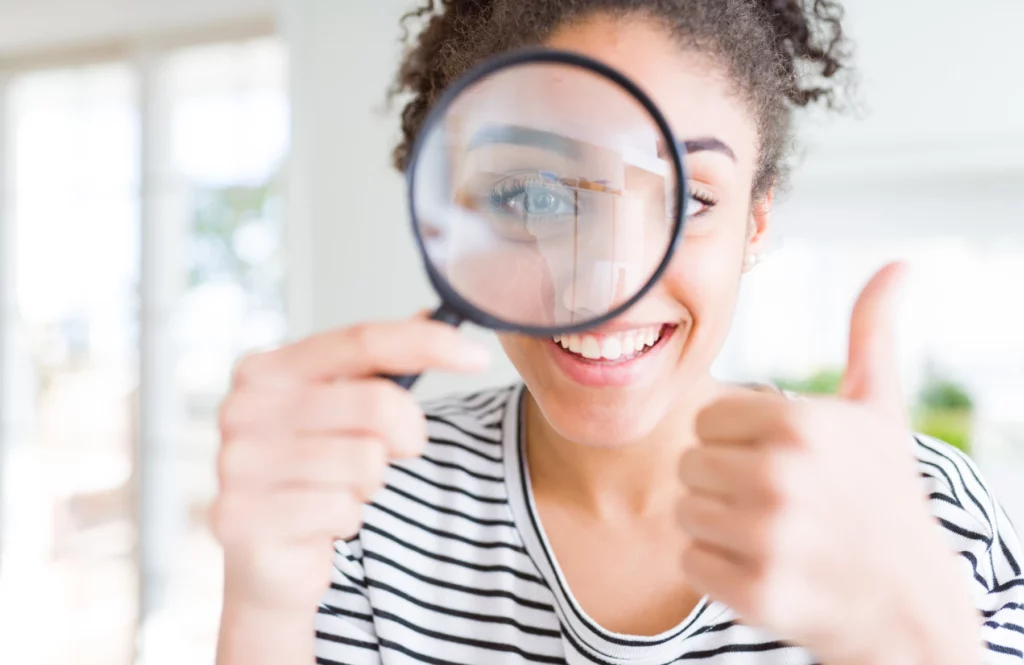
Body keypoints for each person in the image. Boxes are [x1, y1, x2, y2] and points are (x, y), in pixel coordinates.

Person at [212, 1, 1024, 663]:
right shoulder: (357, 501)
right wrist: (263, 603)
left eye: (689, 199)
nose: (599, 290)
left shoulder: (924, 514)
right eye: (530, 197)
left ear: (756, 222)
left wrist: (915, 646)